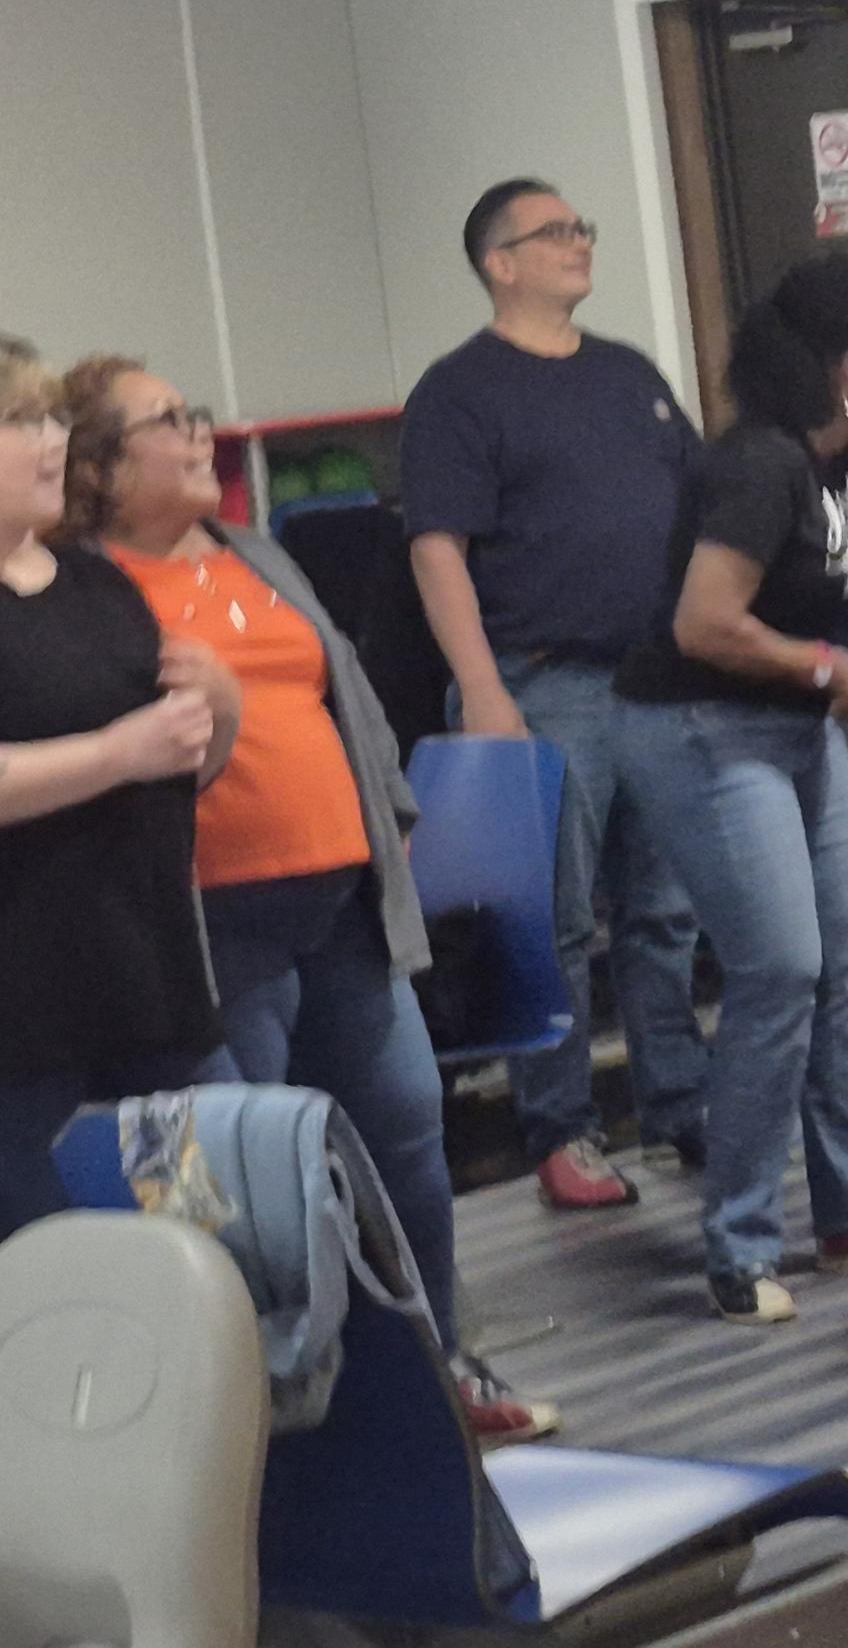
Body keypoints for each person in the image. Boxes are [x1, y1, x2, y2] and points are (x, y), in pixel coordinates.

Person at [62, 355, 555, 1443]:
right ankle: (299, 1418)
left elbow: (346, 691)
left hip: (337, 906)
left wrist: (387, 819)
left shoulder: (252, 550)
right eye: (171, 420)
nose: (201, 434)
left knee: (408, 1135)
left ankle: (442, 1368)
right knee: (260, 1190)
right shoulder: (89, 594)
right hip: (212, 930)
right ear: (97, 470)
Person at [611, 256, 848, 1325]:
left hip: (788, 732)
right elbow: (702, 623)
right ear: (845, 365)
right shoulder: (758, 466)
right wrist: (826, 667)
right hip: (698, 727)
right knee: (780, 968)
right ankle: (739, 1240)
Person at [403, 179, 709, 1212]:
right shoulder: (459, 391)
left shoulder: (630, 375)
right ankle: (563, 1128)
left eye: (582, 226)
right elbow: (436, 550)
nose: (580, 242)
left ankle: (680, 1106)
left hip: (656, 683)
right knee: (556, 923)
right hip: (542, 684)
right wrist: (484, 691)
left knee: (665, 913)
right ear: (501, 261)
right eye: (555, 232)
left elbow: (696, 506)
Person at [0, 337, 230, 1244]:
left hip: (150, 994)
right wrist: (114, 752)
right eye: (19, 421)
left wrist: (219, 711)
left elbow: (175, 767)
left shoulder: (98, 582)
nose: (50, 439)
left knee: (200, 1245)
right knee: (72, 1274)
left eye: (53, 416)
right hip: (27, 1027)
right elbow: (126, 755)